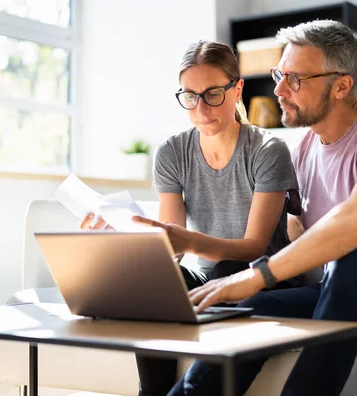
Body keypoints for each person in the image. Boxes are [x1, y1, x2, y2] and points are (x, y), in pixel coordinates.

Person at [168, 20, 357, 396]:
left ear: (342, 85)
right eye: (279, 74)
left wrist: (257, 275)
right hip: (345, 289)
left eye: (295, 79)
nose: (279, 89)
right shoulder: (301, 151)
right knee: (250, 308)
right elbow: (297, 232)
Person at [84, 40, 302, 395]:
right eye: (189, 96)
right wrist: (119, 233)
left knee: (226, 270)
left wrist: (185, 240)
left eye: (213, 94)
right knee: (155, 275)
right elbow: (172, 248)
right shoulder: (172, 152)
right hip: (202, 278)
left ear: (237, 90)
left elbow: (254, 248)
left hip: (261, 280)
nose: (200, 108)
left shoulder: (267, 150)